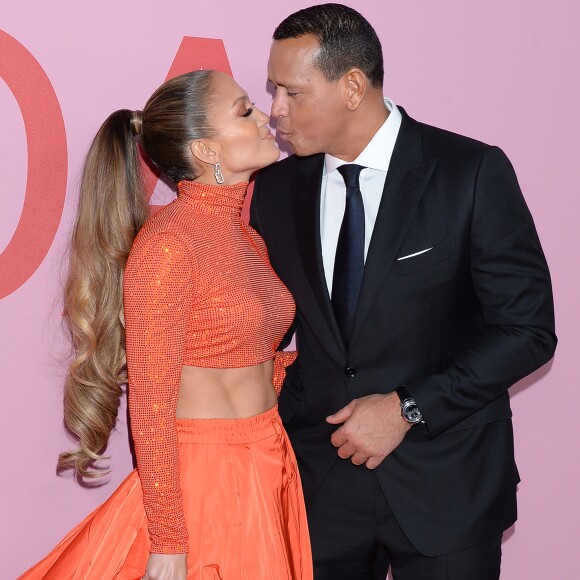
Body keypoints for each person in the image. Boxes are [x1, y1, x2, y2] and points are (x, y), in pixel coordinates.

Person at [250, 4, 556, 579]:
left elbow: (528, 332)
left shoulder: (469, 172)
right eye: (273, 91)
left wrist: (407, 408)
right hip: (318, 492)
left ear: (352, 87)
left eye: (292, 92)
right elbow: (275, 332)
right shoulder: (275, 190)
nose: (276, 112)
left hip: (447, 489)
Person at [20, 70, 312, 580]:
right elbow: (152, 404)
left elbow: (247, 355)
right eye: (245, 111)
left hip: (269, 459)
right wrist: (170, 539)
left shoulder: (251, 242)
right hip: (206, 477)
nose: (267, 117)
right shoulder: (167, 246)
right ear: (206, 152)